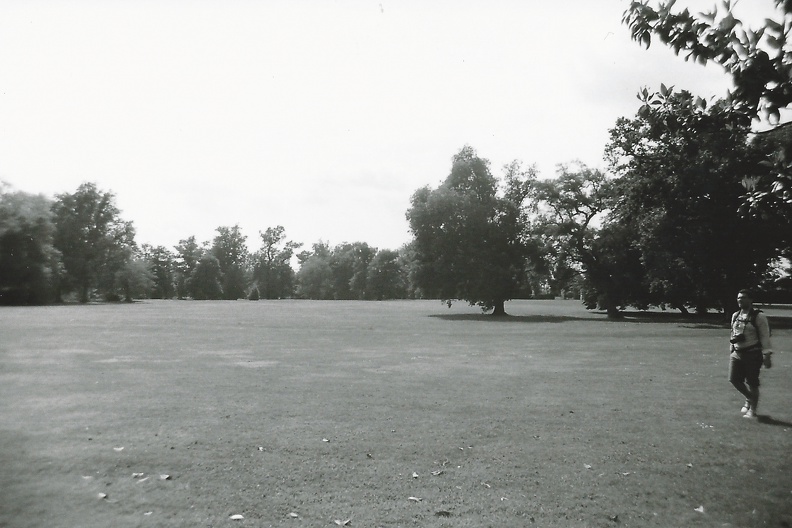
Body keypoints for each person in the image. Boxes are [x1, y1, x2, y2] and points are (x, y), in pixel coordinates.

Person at [728, 289, 773, 419]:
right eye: (738, 298)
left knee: (752, 382)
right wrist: (731, 348)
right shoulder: (735, 315)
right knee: (734, 379)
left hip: (752, 354)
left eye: (743, 298)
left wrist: (767, 355)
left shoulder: (758, 316)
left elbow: (765, 336)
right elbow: (733, 333)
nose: (740, 300)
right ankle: (749, 398)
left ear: (750, 300)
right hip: (737, 353)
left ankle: (752, 410)